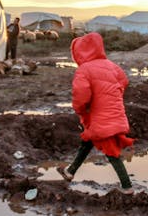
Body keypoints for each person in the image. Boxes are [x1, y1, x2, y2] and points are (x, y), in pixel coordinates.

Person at [57, 32, 135, 194]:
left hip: (100, 117)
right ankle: (70, 172)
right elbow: (124, 81)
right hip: (115, 112)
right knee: (88, 141)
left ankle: (127, 187)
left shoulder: (84, 70)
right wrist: (112, 96)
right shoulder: (112, 66)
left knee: (111, 152)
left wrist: (80, 109)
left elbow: (81, 95)